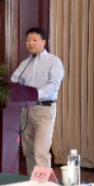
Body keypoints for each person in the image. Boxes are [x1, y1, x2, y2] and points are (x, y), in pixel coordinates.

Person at [10, 27, 64, 174]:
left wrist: (34, 94)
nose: (30, 43)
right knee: (28, 151)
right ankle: (32, 182)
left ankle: (44, 185)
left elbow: (53, 86)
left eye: (34, 40)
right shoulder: (25, 63)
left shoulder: (53, 61)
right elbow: (14, 81)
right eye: (28, 40)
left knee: (40, 151)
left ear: (43, 42)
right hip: (26, 111)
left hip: (44, 109)